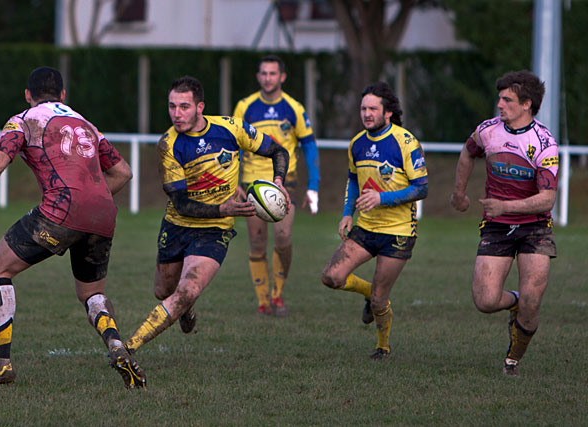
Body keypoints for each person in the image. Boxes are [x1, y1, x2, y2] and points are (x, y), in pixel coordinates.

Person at [0, 67, 146, 388]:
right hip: (103, 215)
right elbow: (123, 172)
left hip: (61, 209)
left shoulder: (26, 119)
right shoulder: (85, 123)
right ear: (64, 95)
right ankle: (116, 345)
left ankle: (1, 365)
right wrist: (91, 200)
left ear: (28, 95)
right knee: (92, 292)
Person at [124, 76, 290, 353]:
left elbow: (277, 151)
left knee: (187, 291)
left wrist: (279, 180)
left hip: (215, 230)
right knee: (163, 291)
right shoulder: (169, 145)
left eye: (184, 107)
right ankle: (185, 309)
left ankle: (127, 348)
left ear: (200, 107)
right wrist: (224, 207)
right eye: (172, 106)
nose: (177, 114)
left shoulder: (231, 128)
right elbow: (181, 204)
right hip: (177, 225)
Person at [450, 70, 558, 376]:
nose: (499, 104)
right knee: (484, 301)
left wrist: (506, 206)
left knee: (533, 301)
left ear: (526, 104)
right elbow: (468, 152)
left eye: (507, 99)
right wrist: (459, 193)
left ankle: (513, 358)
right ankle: (515, 302)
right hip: (497, 226)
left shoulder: (544, 143)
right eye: (499, 97)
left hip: (535, 227)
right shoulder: (488, 131)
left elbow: (547, 199)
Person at [321, 82, 428, 360]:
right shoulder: (357, 144)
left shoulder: (405, 142)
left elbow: (421, 188)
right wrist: (347, 212)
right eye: (363, 108)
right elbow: (353, 181)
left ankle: (383, 346)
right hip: (366, 227)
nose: (367, 114)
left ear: (388, 112)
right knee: (331, 277)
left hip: (399, 232)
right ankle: (368, 291)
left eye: (372, 109)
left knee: (382, 299)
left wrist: (382, 199)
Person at [233, 55, 320, 316]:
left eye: (273, 73)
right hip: (251, 183)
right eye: (263, 73)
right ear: (258, 77)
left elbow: (310, 145)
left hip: (286, 182)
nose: (267, 78)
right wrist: (233, 182)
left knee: (283, 237)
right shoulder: (245, 106)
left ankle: (278, 295)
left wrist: (313, 185)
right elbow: (234, 145)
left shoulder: (293, 107)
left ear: (282, 77)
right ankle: (263, 301)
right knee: (257, 243)